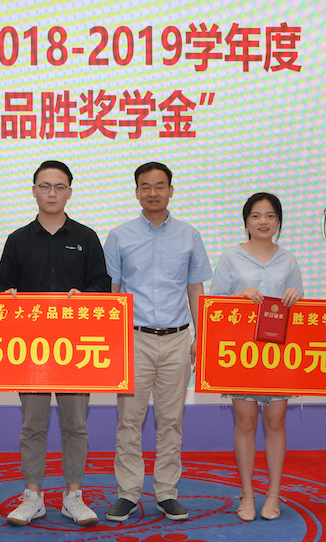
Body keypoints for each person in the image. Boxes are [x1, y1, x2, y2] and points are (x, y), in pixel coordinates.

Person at [0, 160, 112, 527]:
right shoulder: (18, 239)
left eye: (59, 187)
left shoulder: (86, 237)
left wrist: (86, 296)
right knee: (33, 425)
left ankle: (73, 496)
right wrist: (8, 296)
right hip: (32, 352)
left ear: (70, 192)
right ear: (34, 191)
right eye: (45, 186)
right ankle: (33, 496)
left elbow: (102, 286)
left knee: (76, 425)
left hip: (75, 351)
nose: (52, 193)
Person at [103, 162, 211, 522]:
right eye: (145, 186)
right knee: (129, 422)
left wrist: (201, 335)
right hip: (134, 339)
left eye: (160, 186)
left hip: (178, 339)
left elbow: (195, 288)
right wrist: (113, 340)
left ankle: (166, 492)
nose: (153, 193)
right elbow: (113, 293)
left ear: (171, 191)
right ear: (136, 192)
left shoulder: (189, 235)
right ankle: (128, 493)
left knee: (171, 421)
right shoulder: (119, 236)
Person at [209, 192, 304, 522]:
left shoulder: (288, 260)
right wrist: (237, 297)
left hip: (279, 355)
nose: (263, 221)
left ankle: (273, 494)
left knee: (276, 422)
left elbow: (302, 310)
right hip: (242, 354)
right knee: (246, 423)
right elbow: (214, 305)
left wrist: (295, 297)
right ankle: (247, 493)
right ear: (246, 221)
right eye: (256, 215)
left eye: (270, 216)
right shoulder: (231, 257)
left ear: (279, 222)